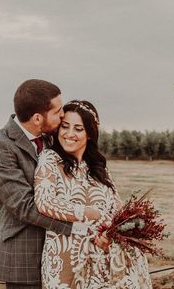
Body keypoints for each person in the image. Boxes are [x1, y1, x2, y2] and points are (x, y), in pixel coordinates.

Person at [0, 80, 94, 289]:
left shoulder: (52, 139)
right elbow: (24, 206)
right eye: (58, 111)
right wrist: (79, 228)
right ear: (37, 118)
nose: (62, 116)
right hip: (23, 255)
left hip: (60, 250)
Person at [34, 100, 152, 288]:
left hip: (101, 265)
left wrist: (113, 235)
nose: (69, 134)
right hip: (65, 262)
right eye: (65, 126)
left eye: (78, 129)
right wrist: (92, 213)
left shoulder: (99, 168)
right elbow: (44, 201)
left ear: (89, 133)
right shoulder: (50, 159)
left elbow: (117, 212)